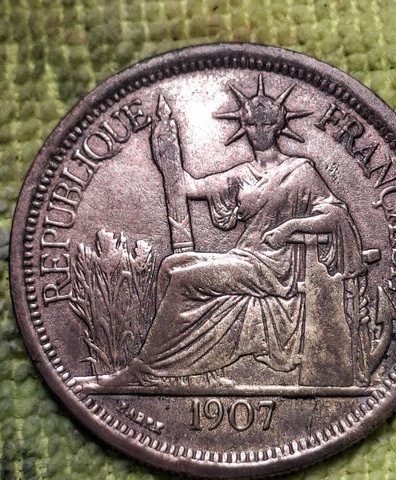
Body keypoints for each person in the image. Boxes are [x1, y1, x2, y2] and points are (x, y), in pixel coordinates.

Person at [102, 75, 366, 387]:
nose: (258, 130)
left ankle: (143, 371)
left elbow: (335, 214)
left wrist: (291, 227)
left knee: (184, 279)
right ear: (244, 126)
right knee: (171, 266)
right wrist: (165, 153)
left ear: (279, 125)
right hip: (244, 258)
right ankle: (191, 375)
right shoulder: (242, 174)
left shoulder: (301, 171)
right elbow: (189, 186)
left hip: (274, 268)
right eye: (251, 123)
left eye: (266, 123)